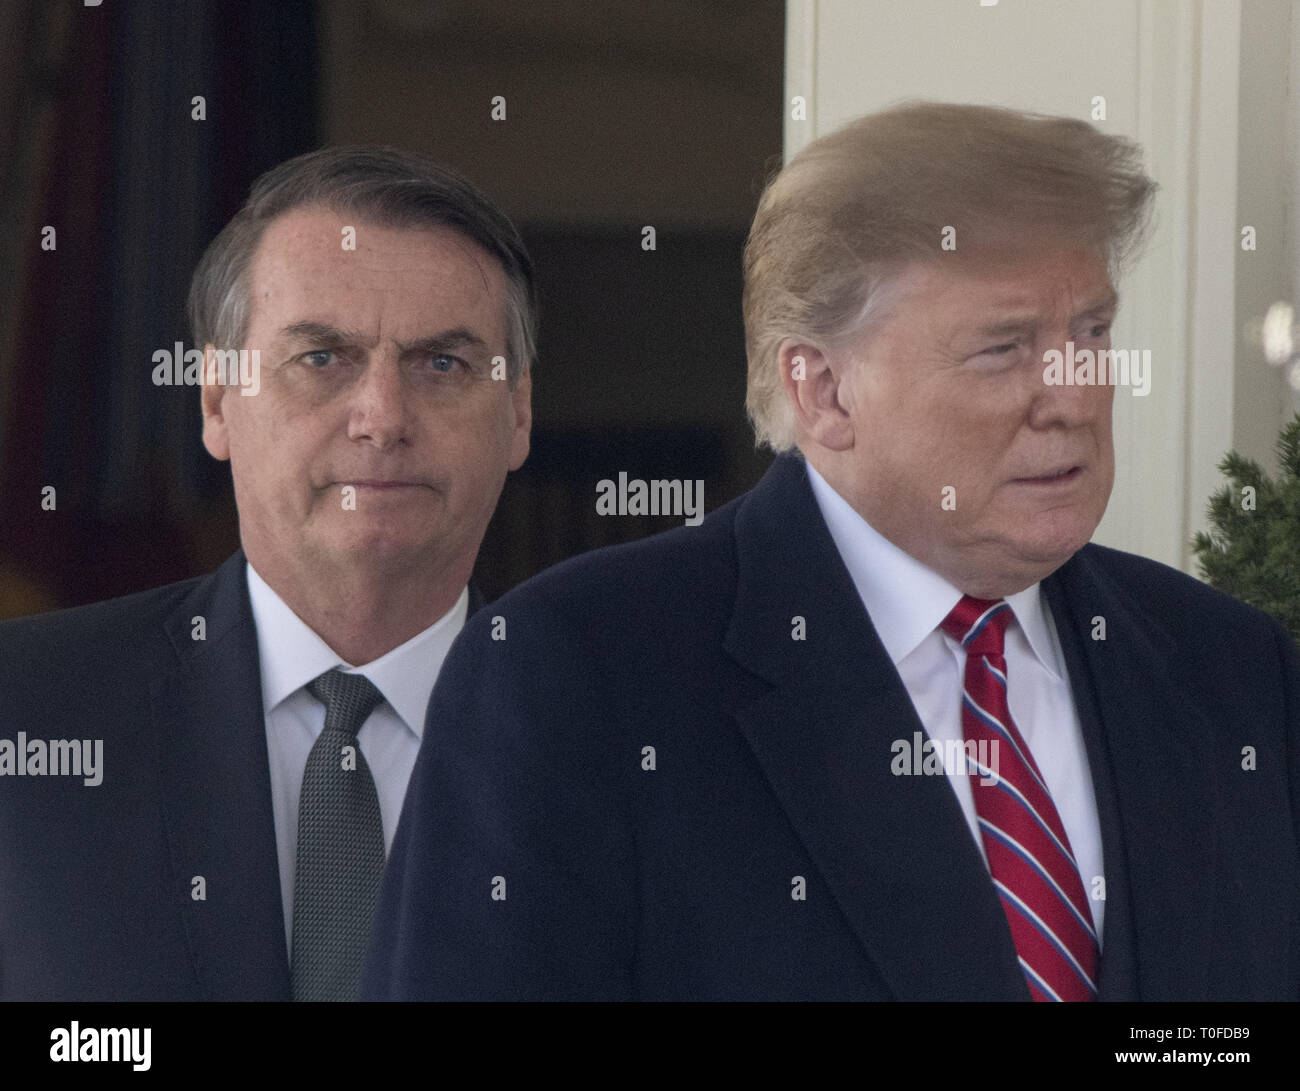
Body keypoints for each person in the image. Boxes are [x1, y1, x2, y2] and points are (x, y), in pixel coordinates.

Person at [363, 102, 1300, 1001]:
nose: (1072, 396)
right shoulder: (573, 675)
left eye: (1090, 333)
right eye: (1004, 349)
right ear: (822, 393)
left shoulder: (1228, 669)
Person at [0, 146, 534, 1000]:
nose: (383, 418)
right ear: (216, 400)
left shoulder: (634, 738)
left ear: (519, 414)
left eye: (444, 363)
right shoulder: (23, 713)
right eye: (322, 358)